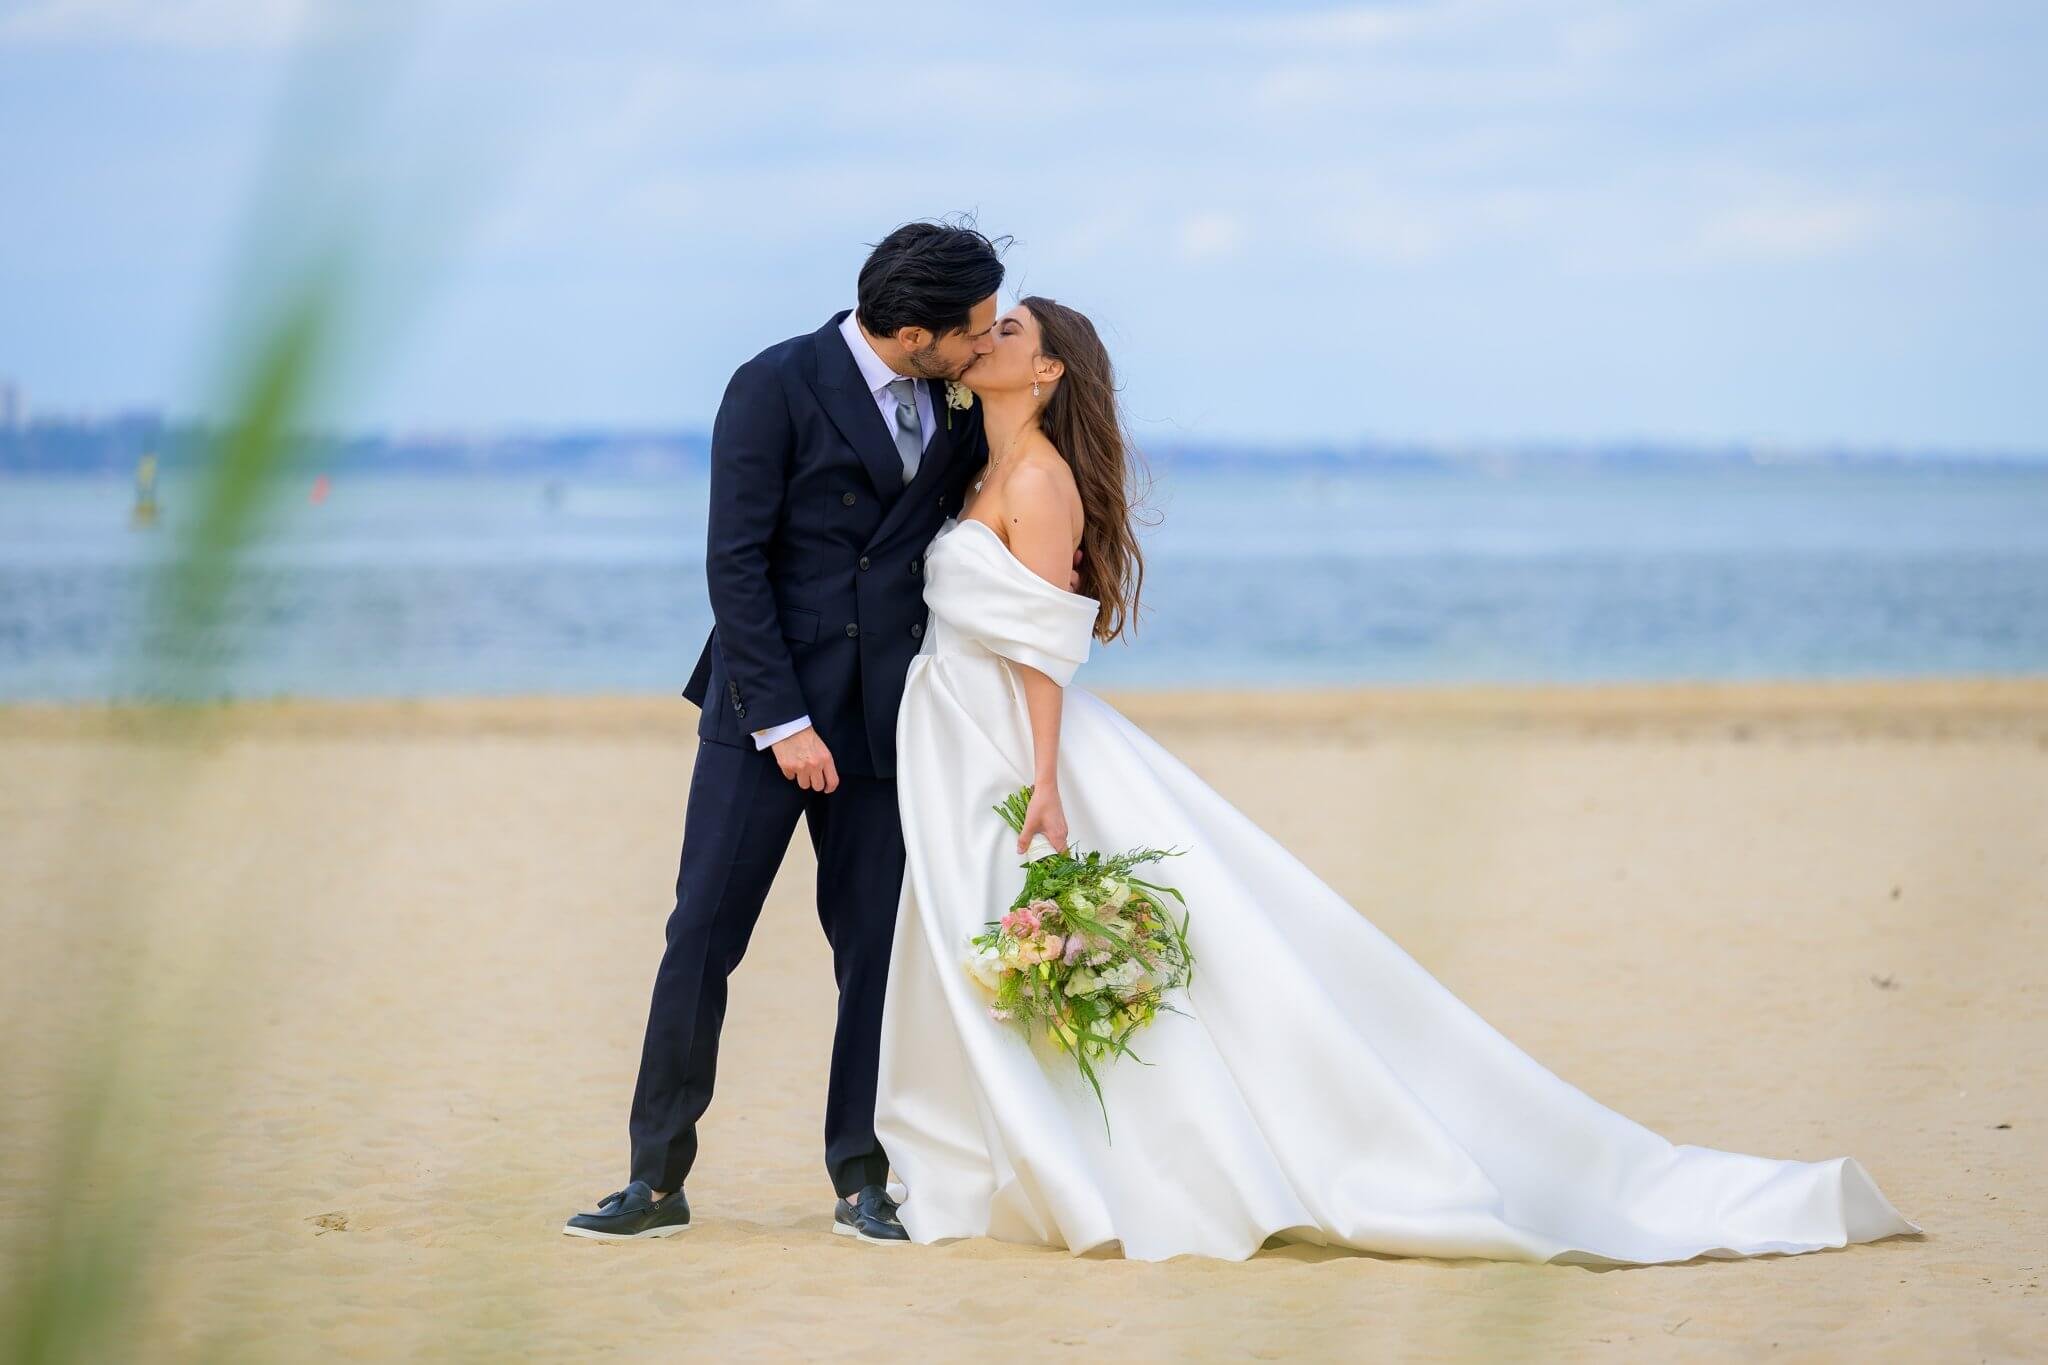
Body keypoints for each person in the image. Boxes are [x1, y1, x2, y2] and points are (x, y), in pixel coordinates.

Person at [870, 295, 1925, 1263]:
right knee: (974, 936)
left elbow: (1047, 648)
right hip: (955, 731)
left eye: (1011, 331)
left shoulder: (1038, 480)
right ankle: (1010, 1155)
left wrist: (1045, 777)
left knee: (1057, 937)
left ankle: (1129, 1166)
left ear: (1048, 374)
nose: (988, 338)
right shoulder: (971, 472)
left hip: (1014, 741)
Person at [564, 220, 1081, 1245]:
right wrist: (782, 722)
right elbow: (734, 567)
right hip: (765, 720)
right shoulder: (772, 384)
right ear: (911, 330)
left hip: (894, 727)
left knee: (873, 957)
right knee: (701, 940)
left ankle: (861, 1178)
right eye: (970, 328)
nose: (981, 344)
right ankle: (654, 1180)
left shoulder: (954, 400)